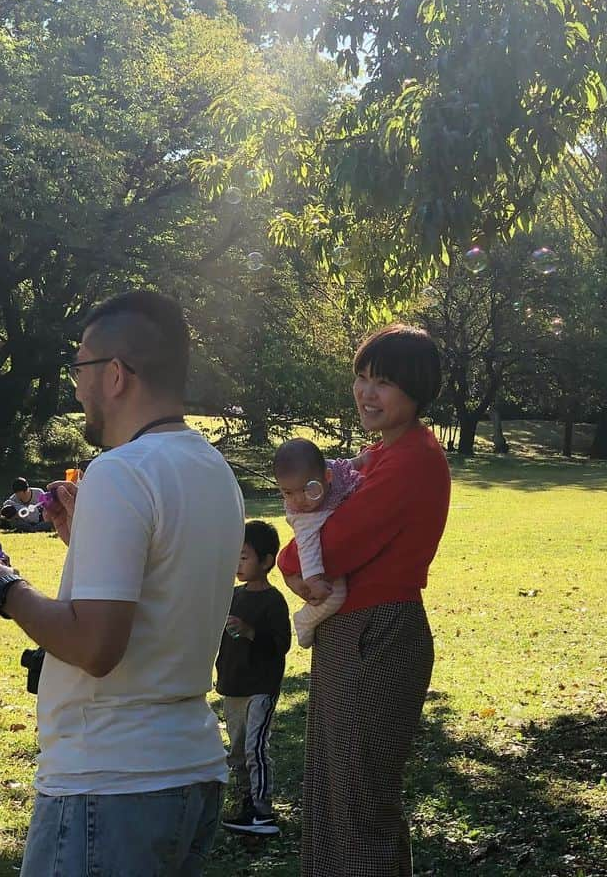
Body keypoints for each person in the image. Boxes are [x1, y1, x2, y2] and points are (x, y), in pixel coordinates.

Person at [0, 290, 245, 876]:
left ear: (116, 375)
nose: (75, 385)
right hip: (188, 770)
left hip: (109, 784)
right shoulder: (214, 471)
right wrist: (83, 541)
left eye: (81, 367)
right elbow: (165, 585)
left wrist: (4, 588)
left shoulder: (121, 472)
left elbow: (96, 646)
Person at [278, 323, 451, 876]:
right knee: (330, 788)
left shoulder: (412, 459)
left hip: (380, 634)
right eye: (361, 377)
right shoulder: (378, 456)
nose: (366, 393)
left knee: (359, 799)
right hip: (350, 632)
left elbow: (331, 547)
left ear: (417, 391)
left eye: (384, 382)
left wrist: (287, 565)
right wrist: (297, 563)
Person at [215, 520, 292, 836]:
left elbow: (281, 644)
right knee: (236, 751)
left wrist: (249, 632)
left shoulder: (273, 601)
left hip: (260, 687)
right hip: (232, 686)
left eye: (244, 557)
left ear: (266, 561)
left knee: (254, 749)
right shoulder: (231, 596)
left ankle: (262, 812)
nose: (238, 564)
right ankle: (245, 802)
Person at [273, 438, 365, 648]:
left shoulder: (332, 472)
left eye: (306, 489)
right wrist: (314, 579)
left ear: (327, 477)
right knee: (335, 595)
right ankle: (305, 620)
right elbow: (307, 547)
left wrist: (364, 459)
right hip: (317, 564)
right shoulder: (304, 517)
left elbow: (344, 465)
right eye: (287, 492)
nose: (298, 500)